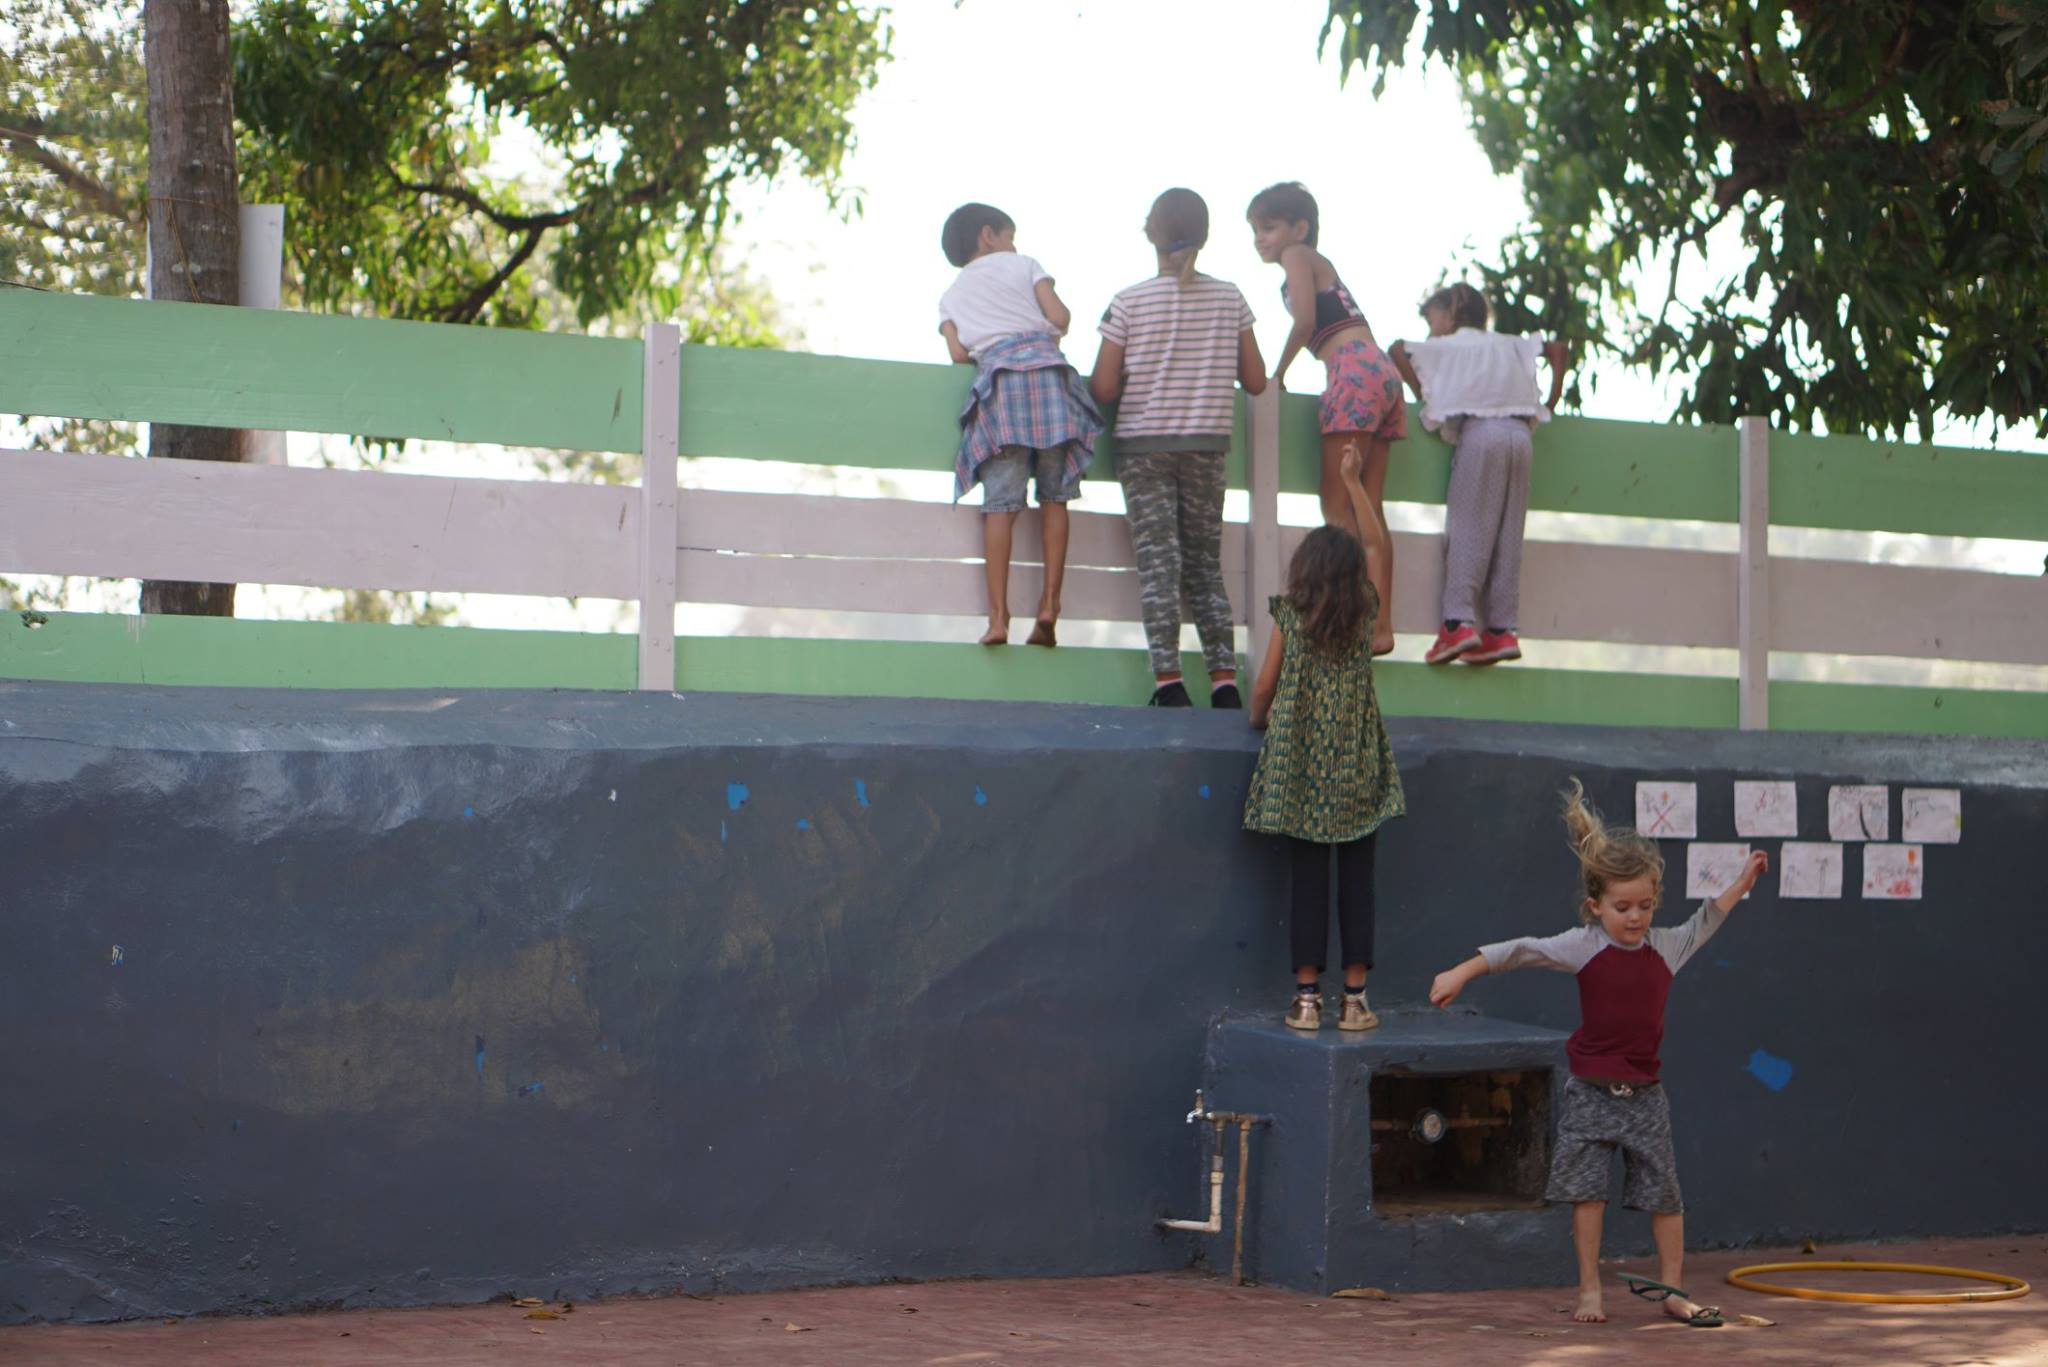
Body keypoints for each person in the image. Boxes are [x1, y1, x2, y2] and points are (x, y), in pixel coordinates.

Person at [1427, 781, 1770, 1329]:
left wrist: (1744, 881)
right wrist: (1461, 972)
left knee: (1666, 1197)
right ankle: (1590, 1287)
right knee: (1588, 1195)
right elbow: (1521, 950)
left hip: (1645, 1097)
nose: (1634, 917)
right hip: (1590, 1092)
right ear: (1596, 906)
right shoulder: (1584, 945)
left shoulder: (1665, 946)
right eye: (1621, 907)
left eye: (1645, 906)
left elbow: (1708, 919)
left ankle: (1674, 1291)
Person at [1243, 448, 1404, 1029]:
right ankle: (1355, 1001)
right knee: (1357, 881)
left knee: (1308, 879)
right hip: (1358, 766)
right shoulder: (1365, 615)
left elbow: (1264, 685)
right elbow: (1379, 546)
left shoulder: (1291, 615)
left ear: (1303, 572)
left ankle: (1307, 1001)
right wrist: (1352, 482)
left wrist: (1260, 720)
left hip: (1303, 768)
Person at [1090, 188, 1267, 708]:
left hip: (1143, 448)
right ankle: (1224, 681)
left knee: (1159, 565)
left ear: (1151, 232)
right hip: (1207, 447)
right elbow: (1255, 380)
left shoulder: (1129, 301)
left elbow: (1102, 388)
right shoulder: (1230, 298)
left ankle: (1168, 682)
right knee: (1204, 566)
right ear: (1205, 236)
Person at [1247, 181, 1403, 656]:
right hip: (1380, 371)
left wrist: (1276, 375)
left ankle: (1350, 619)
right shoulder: (1310, 264)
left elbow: (1307, 321)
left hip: (1351, 372)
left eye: (1268, 227)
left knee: (1338, 510)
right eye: (1255, 230)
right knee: (1368, 508)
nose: (1261, 239)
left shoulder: (1299, 255)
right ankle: (1381, 627)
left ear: (1300, 228)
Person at [940, 202, 1104, 648]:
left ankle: (998, 618)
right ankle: (1050, 604)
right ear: (989, 235)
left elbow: (958, 354)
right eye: (1011, 236)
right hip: (1051, 384)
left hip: (1002, 391)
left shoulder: (951, 295)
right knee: (1055, 497)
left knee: (1000, 506)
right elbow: (1061, 319)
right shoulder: (1025, 265)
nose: (1014, 244)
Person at [1389, 284, 1571, 666]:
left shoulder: (1449, 346)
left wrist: (1425, 393)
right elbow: (1557, 349)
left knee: (1469, 527)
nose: (1431, 329)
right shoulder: (1509, 343)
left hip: (1481, 435)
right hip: (1521, 437)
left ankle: (1457, 623)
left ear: (1451, 312)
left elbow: (1397, 350)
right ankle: (1502, 630)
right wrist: (1549, 402)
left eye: (1432, 319)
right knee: (1508, 535)